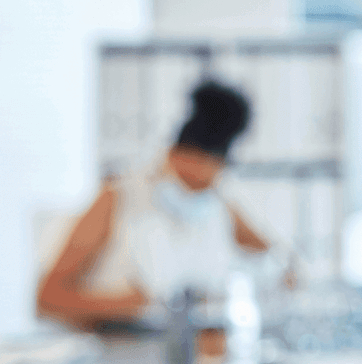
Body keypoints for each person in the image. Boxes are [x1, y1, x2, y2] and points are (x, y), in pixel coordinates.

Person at [38, 81, 275, 331]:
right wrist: (127, 306)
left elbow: (278, 260)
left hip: (189, 358)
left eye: (204, 185)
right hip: (117, 354)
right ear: (171, 156)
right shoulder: (118, 196)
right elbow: (47, 299)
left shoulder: (218, 206)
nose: (193, 192)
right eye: (186, 179)